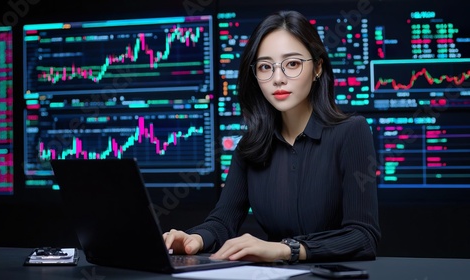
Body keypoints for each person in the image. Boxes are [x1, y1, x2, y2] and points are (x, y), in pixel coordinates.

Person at [163, 10, 380, 263]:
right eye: (266, 67)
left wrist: (286, 249)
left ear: (318, 67)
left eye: (293, 64)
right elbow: (223, 221)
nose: (278, 79)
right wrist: (194, 239)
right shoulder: (250, 146)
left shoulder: (352, 132)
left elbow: (363, 236)